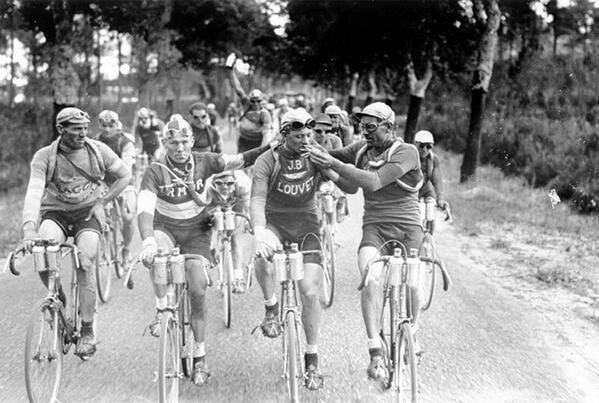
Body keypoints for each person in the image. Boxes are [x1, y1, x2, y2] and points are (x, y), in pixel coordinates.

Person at [137, 115, 272, 386]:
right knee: (159, 259)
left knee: (198, 288)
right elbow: (145, 207)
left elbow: (242, 159)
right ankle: (161, 308)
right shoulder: (155, 169)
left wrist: (272, 147)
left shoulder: (206, 161)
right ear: (165, 143)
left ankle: (199, 355)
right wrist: (148, 241)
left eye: (184, 142)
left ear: (191, 141)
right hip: (166, 227)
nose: (178, 147)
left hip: (197, 231)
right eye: (172, 143)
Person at [306, 102, 424, 381]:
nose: (365, 132)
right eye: (362, 127)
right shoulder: (361, 149)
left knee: (413, 283)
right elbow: (347, 182)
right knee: (371, 277)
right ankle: (375, 351)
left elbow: (371, 182)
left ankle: (414, 330)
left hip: (409, 228)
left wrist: (332, 164)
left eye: (371, 127)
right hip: (375, 227)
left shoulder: (407, 152)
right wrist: (308, 148)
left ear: (389, 127)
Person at [21, 107, 131, 359]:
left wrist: (102, 202)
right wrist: (29, 228)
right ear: (61, 130)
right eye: (76, 129)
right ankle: (57, 299)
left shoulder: (97, 150)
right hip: (56, 213)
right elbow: (34, 192)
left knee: (85, 260)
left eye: (85, 129)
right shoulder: (44, 156)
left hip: (87, 214)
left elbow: (125, 175)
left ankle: (88, 329)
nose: (82, 134)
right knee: (43, 255)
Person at [251, 108, 340, 391]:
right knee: (261, 255)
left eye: (308, 135)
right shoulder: (268, 159)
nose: (305, 140)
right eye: (299, 135)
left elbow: (344, 183)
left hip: (307, 225)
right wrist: (259, 231)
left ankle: (312, 357)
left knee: (309, 291)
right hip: (275, 221)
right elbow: (256, 199)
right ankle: (270, 307)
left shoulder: (314, 155)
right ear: (285, 134)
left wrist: (333, 175)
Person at [97, 110, 137, 265]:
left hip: (124, 183)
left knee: (128, 217)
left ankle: (126, 248)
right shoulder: (93, 142)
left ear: (117, 124)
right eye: (103, 125)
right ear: (99, 124)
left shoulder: (125, 142)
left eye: (111, 125)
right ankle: (102, 248)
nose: (107, 129)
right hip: (103, 182)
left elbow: (126, 168)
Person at [203, 170, 252, 292]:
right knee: (209, 231)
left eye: (229, 183)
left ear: (235, 181)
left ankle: (238, 277)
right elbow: (202, 210)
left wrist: (248, 221)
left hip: (237, 203)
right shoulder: (207, 186)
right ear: (214, 183)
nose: (225, 187)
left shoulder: (243, 184)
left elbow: (248, 206)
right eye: (220, 183)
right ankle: (211, 255)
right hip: (213, 204)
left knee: (236, 237)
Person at [227, 55, 272, 152]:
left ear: (262, 101)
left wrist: (263, 150)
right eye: (253, 101)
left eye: (258, 101)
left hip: (257, 141)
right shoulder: (247, 104)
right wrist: (230, 71)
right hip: (243, 139)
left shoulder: (264, 114)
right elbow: (238, 88)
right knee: (242, 163)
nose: (255, 103)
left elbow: (267, 134)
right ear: (249, 100)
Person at [313, 114, 348, 222]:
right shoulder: (307, 139)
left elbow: (338, 164)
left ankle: (334, 219)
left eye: (327, 131)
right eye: (318, 131)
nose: (322, 134)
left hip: (329, 175)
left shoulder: (335, 141)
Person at [414, 130, 448, 228]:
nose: (424, 149)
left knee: (431, 215)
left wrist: (440, 198)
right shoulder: (409, 155)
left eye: (428, 146)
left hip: (426, 190)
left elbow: (437, 179)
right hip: (412, 191)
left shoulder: (433, 159)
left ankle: (429, 237)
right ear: (415, 144)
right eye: (421, 146)